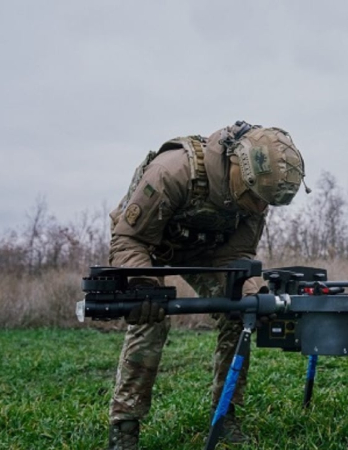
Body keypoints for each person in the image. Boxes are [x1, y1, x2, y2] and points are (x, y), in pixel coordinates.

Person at [106, 120, 307, 450]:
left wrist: (252, 290)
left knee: (240, 314)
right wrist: (144, 283)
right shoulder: (172, 171)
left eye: (266, 203)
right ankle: (124, 427)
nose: (260, 209)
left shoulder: (259, 192)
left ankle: (225, 415)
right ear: (238, 167)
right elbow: (129, 239)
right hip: (148, 245)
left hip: (208, 252)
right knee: (149, 320)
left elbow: (238, 254)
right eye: (257, 199)